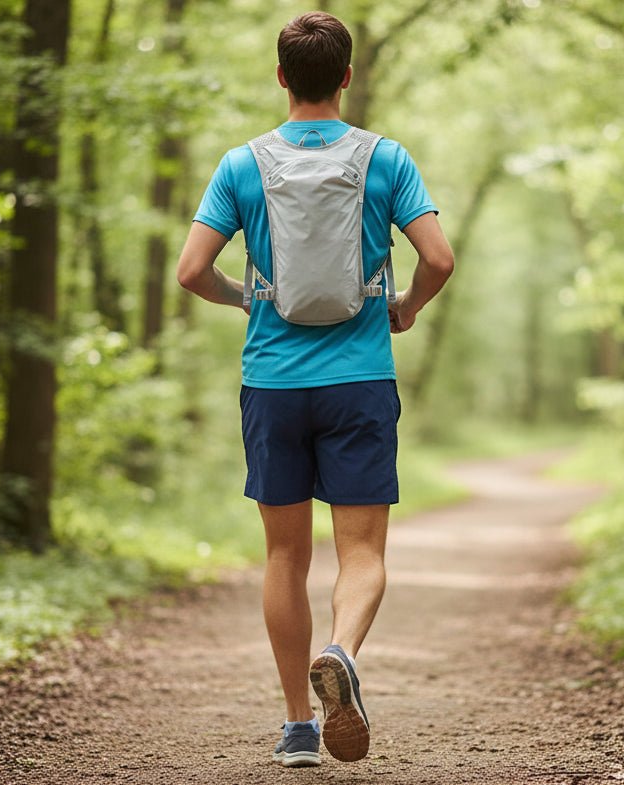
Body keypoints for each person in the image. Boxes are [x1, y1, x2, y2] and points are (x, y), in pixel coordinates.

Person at [176, 10, 454, 768]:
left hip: (272, 381)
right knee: (359, 551)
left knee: (283, 557)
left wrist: (249, 298)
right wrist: (405, 308)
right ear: (345, 76)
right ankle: (341, 650)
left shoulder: (242, 164)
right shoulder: (385, 159)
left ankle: (299, 725)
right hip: (359, 378)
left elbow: (190, 271)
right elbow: (438, 257)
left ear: (279, 77)